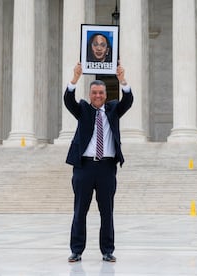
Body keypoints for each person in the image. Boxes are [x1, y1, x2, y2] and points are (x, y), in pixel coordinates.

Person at [64, 62, 133, 263]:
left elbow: (127, 101)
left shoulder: (113, 110)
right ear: (90, 94)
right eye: (94, 92)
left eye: (101, 93)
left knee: (107, 212)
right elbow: (69, 101)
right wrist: (75, 78)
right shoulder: (83, 110)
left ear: (106, 94)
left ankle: (107, 250)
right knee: (80, 210)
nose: (97, 96)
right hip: (84, 166)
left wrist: (123, 81)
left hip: (106, 167)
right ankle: (76, 250)